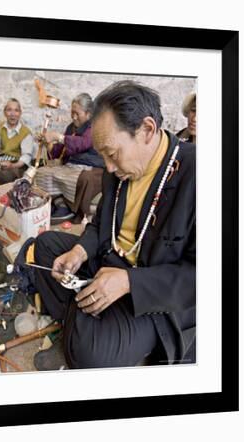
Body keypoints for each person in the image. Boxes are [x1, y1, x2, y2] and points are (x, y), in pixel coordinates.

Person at [32, 81, 196, 370]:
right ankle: (88, 314)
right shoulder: (116, 170)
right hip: (109, 260)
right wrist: (80, 252)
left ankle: (82, 321)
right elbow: (100, 224)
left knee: (89, 354)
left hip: (153, 294)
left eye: (112, 153)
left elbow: (207, 276)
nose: (107, 167)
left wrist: (129, 282)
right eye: (103, 155)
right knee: (43, 247)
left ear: (147, 130)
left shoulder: (201, 172)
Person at [34, 93, 105, 224]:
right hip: (70, 166)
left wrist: (58, 137)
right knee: (43, 172)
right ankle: (59, 203)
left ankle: (70, 208)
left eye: (77, 113)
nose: (73, 117)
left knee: (80, 178)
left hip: (91, 167)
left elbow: (83, 143)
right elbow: (61, 150)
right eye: (72, 112)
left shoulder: (95, 127)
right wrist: (47, 143)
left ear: (89, 114)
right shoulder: (71, 128)